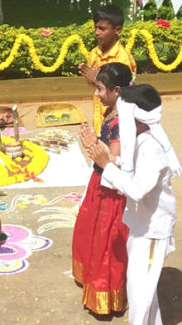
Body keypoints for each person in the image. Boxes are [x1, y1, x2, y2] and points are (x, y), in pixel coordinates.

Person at [87, 84, 179, 325]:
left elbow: (137, 189)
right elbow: (127, 167)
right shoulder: (142, 138)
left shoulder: (151, 148)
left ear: (135, 118)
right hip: (141, 226)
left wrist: (106, 165)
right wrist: (103, 154)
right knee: (143, 292)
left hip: (151, 231)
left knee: (140, 295)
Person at [72, 62, 133, 315]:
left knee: (106, 242)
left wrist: (93, 145)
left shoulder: (120, 120)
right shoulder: (116, 110)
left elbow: (114, 161)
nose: (96, 94)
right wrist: (95, 143)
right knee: (92, 232)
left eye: (99, 88)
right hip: (100, 182)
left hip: (110, 189)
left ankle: (106, 298)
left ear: (116, 90)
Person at [78, 4, 137, 135]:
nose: (97, 32)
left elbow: (124, 92)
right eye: (95, 28)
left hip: (117, 122)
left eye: (102, 29)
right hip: (99, 118)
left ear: (117, 29)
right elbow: (92, 84)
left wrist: (96, 79)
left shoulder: (123, 58)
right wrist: (90, 78)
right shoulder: (95, 53)